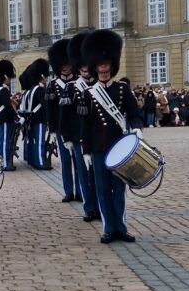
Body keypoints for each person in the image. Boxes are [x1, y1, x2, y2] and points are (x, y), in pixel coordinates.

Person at [81, 29, 142, 244]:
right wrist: (86, 150)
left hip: (119, 147)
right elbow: (85, 125)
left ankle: (121, 227)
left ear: (112, 65)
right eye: (100, 64)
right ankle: (108, 227)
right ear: (96, 66)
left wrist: (136, 128)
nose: (104, 67)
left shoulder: (123, 89)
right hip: (98, 148)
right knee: (103, 189)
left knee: (119, 189)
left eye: (107, 63)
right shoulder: (88, 94)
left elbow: (134, 114)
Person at [66, 31, 100, 223]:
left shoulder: (99, 85)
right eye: (83, 65)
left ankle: (99, 206)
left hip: (97, 137)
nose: (86, 68)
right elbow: (66, 116)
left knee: (98, 176)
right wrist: (66, 137)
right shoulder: (72, 87)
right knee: (84, 174)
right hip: (79, 138)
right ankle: (89, 207)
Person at [45, 39, 77, 201]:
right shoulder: (53, 84)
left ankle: (80, 191)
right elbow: (50, 108)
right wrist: (51, 129)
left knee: (78, 161)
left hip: (77, 126)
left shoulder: (78, 81)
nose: (66, 67)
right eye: (63, 64)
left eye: (68, 63)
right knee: (65, 160)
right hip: (60, 127)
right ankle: (68, 191)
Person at [0, 59, 18, 171]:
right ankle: (5, 164)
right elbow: (8, 107)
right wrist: (17, 117)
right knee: (5, 141)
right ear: (5, 77)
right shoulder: (3, 90)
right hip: (5, 119)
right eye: (9, 77)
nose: (10, 79)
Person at [28, 59, 51, 169]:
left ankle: (35, 161)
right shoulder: (40, 90)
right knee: (40, 142)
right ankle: (41, 162)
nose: (47, 77)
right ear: (42, 75)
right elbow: (46, 105)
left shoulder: (33, 88)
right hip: (40, 118)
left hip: (33, 118)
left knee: (35, 141)